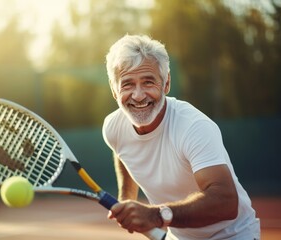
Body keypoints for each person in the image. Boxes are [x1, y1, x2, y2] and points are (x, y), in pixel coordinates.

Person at [102, 34, 260, 240]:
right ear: (114, 91)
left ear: (166, 84)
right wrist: (126, 197)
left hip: (233, 235)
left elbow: (226, 202)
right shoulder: (113, 128)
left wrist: (156, 215)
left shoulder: (194, 127)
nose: (138, 95)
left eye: (148, 82)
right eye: (127, 84)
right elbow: (122, 152)